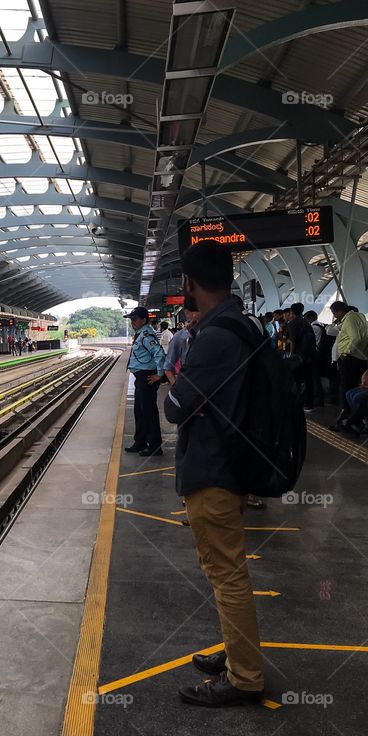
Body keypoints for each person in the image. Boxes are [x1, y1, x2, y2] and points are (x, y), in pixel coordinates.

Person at [164, 241, 264, 707]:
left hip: (214, 469)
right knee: (226, 571)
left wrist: (183, 391)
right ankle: (236, 652)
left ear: (190, 283)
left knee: (226, 575)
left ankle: (244, 678)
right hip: (232, 463)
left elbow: (174, 406)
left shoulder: (216, 336)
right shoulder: (239, 323)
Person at [124, 305, 166, 457]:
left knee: (149, 412)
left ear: (143, 320)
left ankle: (155, 446)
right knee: (140, 411)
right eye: (131, 320)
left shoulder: (147, 336)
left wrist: (159, 375)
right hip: (141, 378)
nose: (132, 322)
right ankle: (140, 441)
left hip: (147, 378)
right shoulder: (140, 334)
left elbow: (159, 354)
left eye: (135, 319)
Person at [328, 301, 368, 430]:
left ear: (340, 311)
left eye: (334, 313)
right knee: (352, 388)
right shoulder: (360, 316)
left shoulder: (349, 319)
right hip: (360, 358)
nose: (334, 316)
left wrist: (345, 352)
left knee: (346, 388)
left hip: (350, 359)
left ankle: (347, 420)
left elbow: (356, 337)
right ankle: (354, 418)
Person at [285, 303, 317, 410]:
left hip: (298, 356)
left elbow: (293, 341)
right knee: (308, 379)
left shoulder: (292, 323)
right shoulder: (306, 322)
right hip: (308, 355)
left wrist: (291, 354)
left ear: (291, 312)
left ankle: (297, 402)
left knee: (296, 380)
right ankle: (309, 404)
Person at [163, 311, 199, 385]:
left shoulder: (212, 332)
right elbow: (168, 368)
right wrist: (177, 389)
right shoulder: (180, 337)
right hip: (189, 384)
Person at [305, 310, 327, 407]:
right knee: (316, 377)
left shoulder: (313, 327)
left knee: (314, 378)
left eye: (306, 319)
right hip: (320, 353)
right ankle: (319, 399)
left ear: (311, 318)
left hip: (314, 354)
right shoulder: (321, 325)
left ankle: (318, 399)